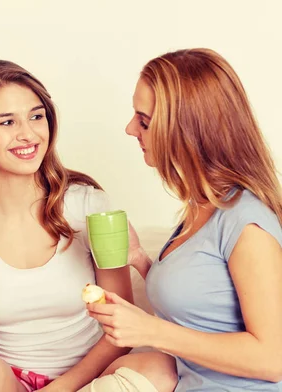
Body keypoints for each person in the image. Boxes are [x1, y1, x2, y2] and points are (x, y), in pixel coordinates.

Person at [0, 60, 140, 392]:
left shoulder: (87, 205)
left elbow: (122, 330)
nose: (29, 134)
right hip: (11, 383)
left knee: (156, 366)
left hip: (92, 381)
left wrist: (61, 388)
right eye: (7, 122)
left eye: (36, 116)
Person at [87, 48, 282, 391]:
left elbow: (272, 359)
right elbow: (204, 307)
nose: (131, 128)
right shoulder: (202, 206)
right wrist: (139, 260)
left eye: (144, 120)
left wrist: (150, 330)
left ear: (187, 131)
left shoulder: (246, 222)